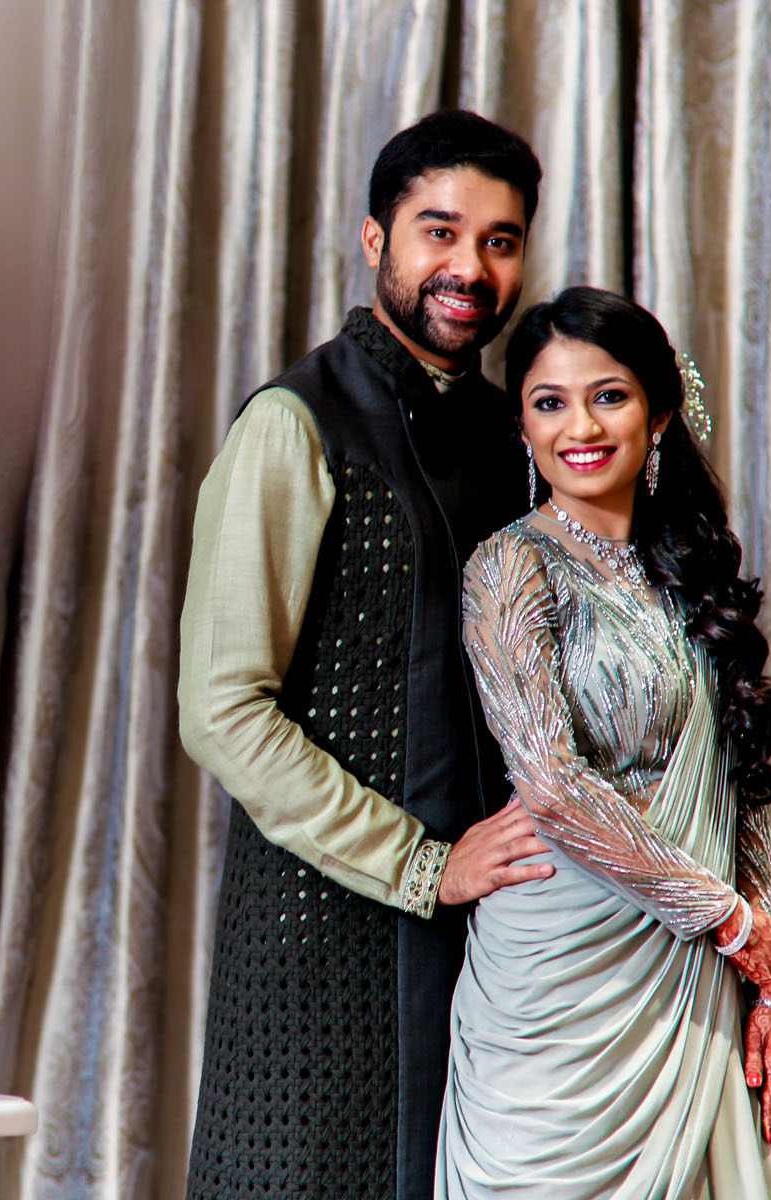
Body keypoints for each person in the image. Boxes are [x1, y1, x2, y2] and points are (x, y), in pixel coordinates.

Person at [177, 110, 553, 1200]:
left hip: (496, 958)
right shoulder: (295, 424)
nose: (470, 267)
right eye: (440, 231)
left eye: (499, 240)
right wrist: (424, 865)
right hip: (315, 953)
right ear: (375, 239)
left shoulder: (521, 437)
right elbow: (223, 710)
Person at [438, 286, 771, 1197]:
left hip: (699, 968)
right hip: (557, 987)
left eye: (608, 396)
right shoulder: (508, 566)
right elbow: (551, 784)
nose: (580, 426)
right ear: (523, 427)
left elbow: (736, 784)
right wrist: (730, 923)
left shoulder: (690, 567)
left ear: (657, 415)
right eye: (549, 402)